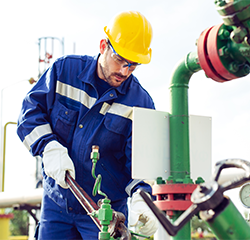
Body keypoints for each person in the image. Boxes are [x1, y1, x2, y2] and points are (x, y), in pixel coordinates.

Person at [17, 11, 158, 239]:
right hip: (57, 204)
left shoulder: (140, 104)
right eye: (120, 59)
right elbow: (29, 115)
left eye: (133, 65)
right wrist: (48, 147)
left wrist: (143, 197)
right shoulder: (64, 72)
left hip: (106, 214)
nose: (125, 71)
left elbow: (141, 165)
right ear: (103, 45)